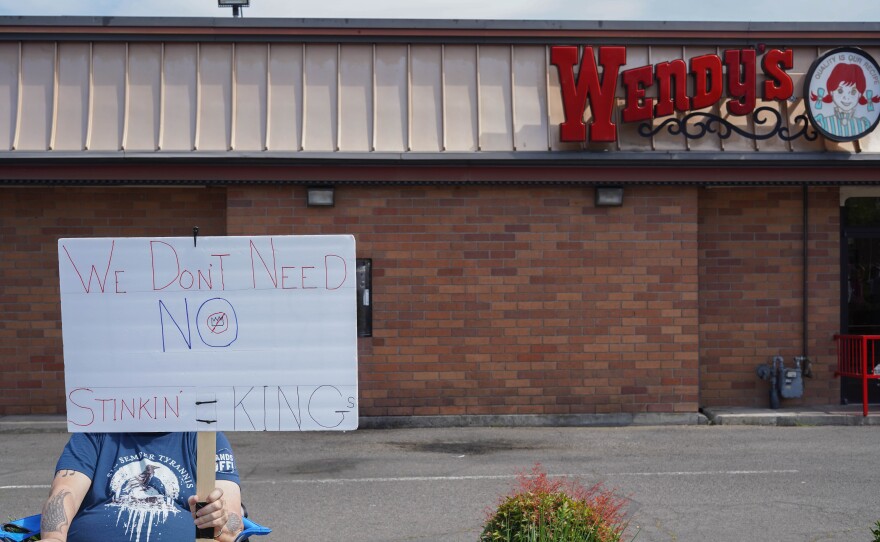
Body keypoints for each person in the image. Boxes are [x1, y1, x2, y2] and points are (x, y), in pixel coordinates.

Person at [37, 432, 243, 542]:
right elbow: (65, 493)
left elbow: (233, 525)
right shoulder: (94, 433)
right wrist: (53, 537)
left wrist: (219, 523)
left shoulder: (206, 437)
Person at [810, 62, 880, 139]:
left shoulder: (863, 124)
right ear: (831, 92)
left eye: (853, 92)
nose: (846, 98)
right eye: (840, 91)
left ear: (860, 94)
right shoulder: (823, 122)